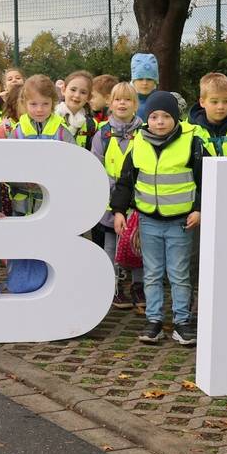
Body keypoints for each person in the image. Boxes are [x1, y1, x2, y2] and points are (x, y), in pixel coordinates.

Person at [111, 90, 213, 346]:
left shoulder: (193, 143)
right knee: (153, 273)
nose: (159, 121)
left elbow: (208, 180)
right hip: (148, 221)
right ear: (147, 119)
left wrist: (199, 208)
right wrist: (119, 211)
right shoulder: (138, 143)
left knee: (179, 275)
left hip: (181, 222)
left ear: (176, 118)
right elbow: (125, 181)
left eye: (165, 116)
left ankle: (182, 323)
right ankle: (154, 320)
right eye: (154, 116)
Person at [91, 82, 143, 308]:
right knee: (111, 246)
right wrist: (114, 194)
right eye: (118, 99)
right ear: (110, 103)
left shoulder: (144, 132)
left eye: (128, 99)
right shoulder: (102, 134)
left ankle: (139, 287)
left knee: (139, 245)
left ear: (136, 104)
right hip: (111, 202)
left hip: (139, 200)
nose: (122, 103)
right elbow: (96, 166)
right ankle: (113, 285)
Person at [9, 75, 74, 216]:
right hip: (22, 202)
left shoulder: (62, 132)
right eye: (33, 104)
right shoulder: (17, 132)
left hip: (53, 200)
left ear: (53, 103)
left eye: (45, 104)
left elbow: (72, 163)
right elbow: (7, 164)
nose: (39, 109)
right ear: (25, 103)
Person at [189, 72, 227, 151]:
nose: (221, 107)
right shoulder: (189, 128)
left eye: (226, 101)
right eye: (214, 102)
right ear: (202, 102)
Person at [56, 70, 98, 148]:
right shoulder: (50, 117)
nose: (77, 95)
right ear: (63, 90)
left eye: (83, 92)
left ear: (89, 97)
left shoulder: (92, 125)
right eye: (73, 90)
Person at [130, 53, 158, 120]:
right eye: (140, 79)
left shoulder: (162, 103)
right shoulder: (122, 103)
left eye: (149, 79)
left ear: (155, 81)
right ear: (133, 80)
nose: (145, 83)